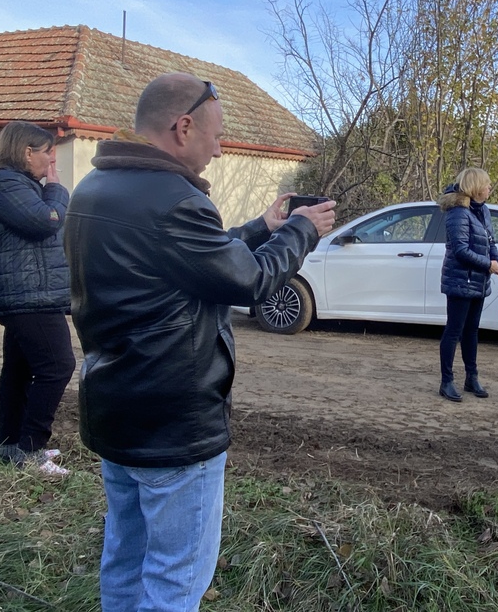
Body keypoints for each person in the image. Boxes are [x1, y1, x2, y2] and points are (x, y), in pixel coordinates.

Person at [63, 73, 336, 612]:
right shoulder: (174, 199)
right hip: (173, 421)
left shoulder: (95, 188)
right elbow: (250, 282)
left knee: (126, 555)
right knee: (176, 578)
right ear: (183, 126)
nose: (219, 149)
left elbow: (191, 257)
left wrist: (260, 227)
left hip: (116, 405)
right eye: (216, 135)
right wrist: (301, 231)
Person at [0, 121, 75, 478]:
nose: (52, 161)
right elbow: (46, 221)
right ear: (27, 152)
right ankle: (31, 451)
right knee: (57, 366)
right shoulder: (1, 183)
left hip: (27, 290)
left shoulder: (8, 182)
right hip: (27, 292)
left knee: (20, 369)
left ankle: (11, 446)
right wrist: (55, 190)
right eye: (48, 153)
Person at [436, 167, 498, 402]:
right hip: (460, 280)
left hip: (478, 281)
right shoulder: (458, 212)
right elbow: (460, 250)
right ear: (476, 187)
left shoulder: (483, 211)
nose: (490, 187)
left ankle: (471, 378)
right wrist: (488, 265)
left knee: (471, 331)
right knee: (454, 331)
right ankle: (446, 381)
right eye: (487, 184)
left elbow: (490, 244)